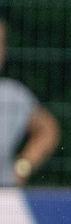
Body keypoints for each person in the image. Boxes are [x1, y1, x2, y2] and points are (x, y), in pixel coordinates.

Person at [0, 17, 60, 185]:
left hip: (5, 192)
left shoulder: (12, 94)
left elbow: (47, 129)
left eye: (1, 43)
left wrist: (23, 167)